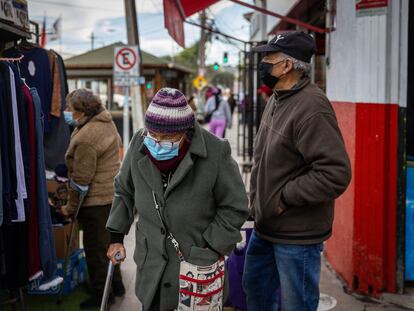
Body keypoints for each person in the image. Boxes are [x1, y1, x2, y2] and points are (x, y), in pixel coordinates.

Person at [105, 88, 249, 311]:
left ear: (185, 132)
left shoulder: (215, 151)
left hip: (198, 268)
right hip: (151, 264)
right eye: (152, 134)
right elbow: (124, 190)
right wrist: (116, 236)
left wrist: (212, 246)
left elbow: (235, 205)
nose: (157, 142)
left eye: (167, 137)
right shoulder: (139, 142)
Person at [242, 31, 352, 311]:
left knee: (297, 306)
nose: (263, 63)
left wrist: (282, 199)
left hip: (296, 236)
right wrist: (257, 204)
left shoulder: (312, 107)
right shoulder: (277, 99)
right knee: (254, 292)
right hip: (265, 229)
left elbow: (334, 173)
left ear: (288, 65)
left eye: (269, 58)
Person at [61, 89, 125, 309]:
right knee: (109, 244)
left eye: (70, 108)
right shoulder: (105, 122)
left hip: (96, 200)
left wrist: (70, 208)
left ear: (81, 110)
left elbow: (81, 180)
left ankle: (102, 295)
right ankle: (116, 285)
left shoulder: (87, 137)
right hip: (111, 195)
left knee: (96, 249)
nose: (66, 112)